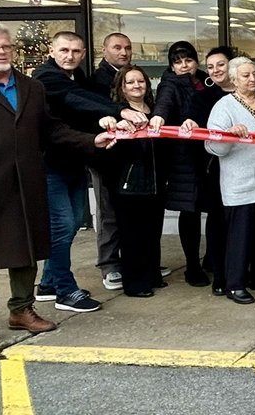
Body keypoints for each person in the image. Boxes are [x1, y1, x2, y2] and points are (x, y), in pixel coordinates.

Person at [0, 23, 113, 351]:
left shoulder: (30, 87)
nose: (2, 52)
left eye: (6, 46)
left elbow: (51, 129)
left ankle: (21, 309)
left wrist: (90, 140)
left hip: (27, 182)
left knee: (25, 249)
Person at [33, 31, 143, 313]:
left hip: (74, 161)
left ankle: (48, 284)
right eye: (64, 50)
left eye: (76, 51)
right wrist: (120, 111)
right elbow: (75, 99)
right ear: (51, 50)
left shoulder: (77, 76)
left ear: (84, 53)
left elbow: (82, 106)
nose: (70, 56)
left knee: (67, 226)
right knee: (64, 226)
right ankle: (65, 291)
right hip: (49, 165)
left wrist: (106, 118)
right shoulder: (46, 77)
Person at [205, 57, 255, 305]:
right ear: (233, 79)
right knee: (240, 237)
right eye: (246, 75)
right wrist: (229, 136)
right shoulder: (224, 106)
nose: (252, 79)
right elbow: (212, 146)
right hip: (241, 182)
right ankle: (235, 284)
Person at [149, 41, 212, 287]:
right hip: (184, 157)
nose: (184, 66)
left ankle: (212, 259)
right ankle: (192, 266)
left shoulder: (207, 81)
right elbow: (164, 102)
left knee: (215, 209)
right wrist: (159, 116)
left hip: (210, 153)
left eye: (188, 60)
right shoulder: (170, 82)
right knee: (190, 211)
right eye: (177, 62)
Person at [105, 66, 166, 298]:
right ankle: (134, 283)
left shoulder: (157, 112)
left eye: (140, 81)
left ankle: (152, 275)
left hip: (155, 183)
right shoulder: (120, 114)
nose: (136, 85)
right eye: (130, 82)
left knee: (152, 232)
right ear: (122, 87)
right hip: (128, 185)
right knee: (132, 237)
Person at [86, 31, 135, 289]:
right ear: (104, 50)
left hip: (130, 155)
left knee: (129, 211)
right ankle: (108, 265)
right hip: (105, 153)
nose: (123, 52)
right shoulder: (97, 81)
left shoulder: (132, 77)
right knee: (108, 212)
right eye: (117, 47)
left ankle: (132, 260)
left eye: (127, 47)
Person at [199, 46, 238, 289]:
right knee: (218, 220)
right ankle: (218, 271)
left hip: (247, 167)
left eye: (220, 65)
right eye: (210, 66)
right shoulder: (202, 97)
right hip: (215, 167)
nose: (215, 70)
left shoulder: (250, 95)